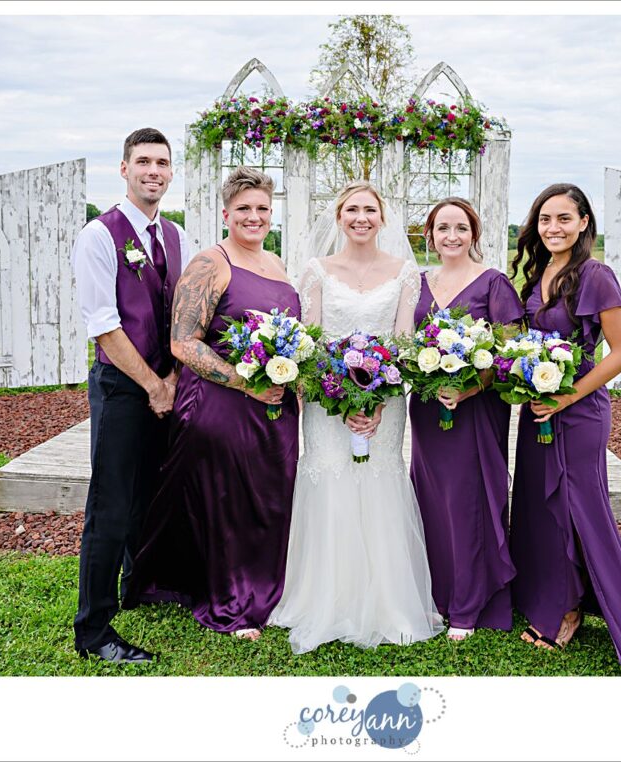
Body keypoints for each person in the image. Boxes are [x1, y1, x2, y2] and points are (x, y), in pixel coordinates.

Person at [121, 167, 298, 642]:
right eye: (244, 209)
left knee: (270, 497)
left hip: (275, 404)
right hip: (222, 404)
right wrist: (246, 383)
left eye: (262, 208)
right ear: (226, 214)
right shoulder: (210, 264)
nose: (254, 217)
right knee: (230, 502)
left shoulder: (277, 263)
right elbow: (184, 343)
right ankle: (233, 600)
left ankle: (269, 588)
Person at [268, 181, 444, 653]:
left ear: (382, 218)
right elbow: (309, 344)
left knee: (379, 484)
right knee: (332, 483)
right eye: (351, 210)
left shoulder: (406, 273)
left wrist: (380, 399)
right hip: (327, 407)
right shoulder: (316, 271)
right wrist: (338, 402)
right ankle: (327, 599)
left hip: (386, 404)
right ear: (339, 217)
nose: (361, 217)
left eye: (369, 210)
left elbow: (404, 344)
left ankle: (386, 600)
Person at [508, 183, 621, 673]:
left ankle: (571, 611)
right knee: (539, 506)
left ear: (583, 223)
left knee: (576, 509)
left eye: (564, 219)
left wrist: (566, 396)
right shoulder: (539, 273)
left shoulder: (595, 275)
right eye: (545, 220)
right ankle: (548, 597)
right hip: (537, 410)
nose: (554, 228)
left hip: (577, 412)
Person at [71, 127, 188, 663]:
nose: (154, 172)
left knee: (150, 495)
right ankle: (94, 631)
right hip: (124, 387)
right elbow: (105, 326)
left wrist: (174, 383)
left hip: (166, 385)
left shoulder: (176, 236)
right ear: (124, 168)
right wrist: (152, 385)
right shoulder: (99, 236)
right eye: (143, 162)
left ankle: (139, 586)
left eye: (162, 163)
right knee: (110, 506)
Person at [408, 197, 524, 641]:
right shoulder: (417, 283)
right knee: (432, 500)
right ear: (430, 235)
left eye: (461, 227)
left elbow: (512, 352)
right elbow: (405, 340)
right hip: (427, 405)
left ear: (474, 234)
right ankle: (436, 597)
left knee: (469, 499)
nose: (451, 236)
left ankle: (469, 603)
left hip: (475, 408)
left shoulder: (494, 283)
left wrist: (470, 387)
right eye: (442, 228)